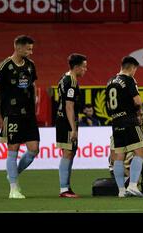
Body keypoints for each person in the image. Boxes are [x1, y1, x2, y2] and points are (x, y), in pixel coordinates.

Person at [0, 35, 40, 199]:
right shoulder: (4, 66)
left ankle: (13, 174)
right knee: (13, 149)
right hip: (11, 113)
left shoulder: (30, 65)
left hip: (28, 114)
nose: (31, 52)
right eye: (28, 49)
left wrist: (34, 104)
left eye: (31, 49)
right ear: (18, 47)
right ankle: (13, 189)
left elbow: (33, 84)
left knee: (34, 150)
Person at [106, 56, 143, 198]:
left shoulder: (110, 81)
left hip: (115, 122)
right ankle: (133, 186)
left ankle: (121, 191)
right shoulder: (129, 79)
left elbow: (108, 106)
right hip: (129, 120)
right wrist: (140, 113)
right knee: (140, 151)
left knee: (119, 156)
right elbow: (137, 101)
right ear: (132, 68)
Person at [55, 53, 87, 198]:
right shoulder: (72, 82)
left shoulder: (64, 77)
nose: (85, 70)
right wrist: (73, 128)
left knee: (70, 152)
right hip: (66, 121)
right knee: (68, 153)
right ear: (76, 67)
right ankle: (64, 189)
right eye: (84, 67)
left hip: (62, 119)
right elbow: (69, 106)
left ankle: (66, 186)